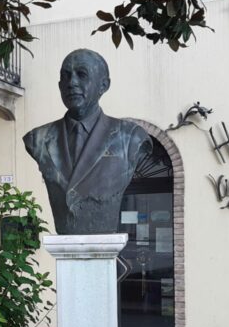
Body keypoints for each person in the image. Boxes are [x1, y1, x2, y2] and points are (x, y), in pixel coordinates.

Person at [24, 49, 151, 235]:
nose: (72, 83)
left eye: (81, 75)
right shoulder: (38, 139)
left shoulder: (131, 138)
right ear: (59, 86)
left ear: (104, 85)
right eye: (66, 77)